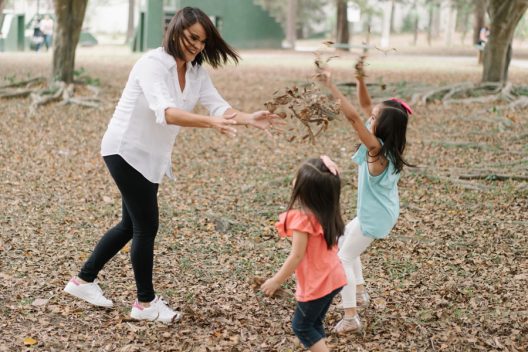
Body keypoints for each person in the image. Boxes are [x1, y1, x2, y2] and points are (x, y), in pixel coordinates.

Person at [64, 7, 280, 323]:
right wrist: (211, 122)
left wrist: (248, 118)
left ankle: (82, 281)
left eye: (202, 41)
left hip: (151, 157)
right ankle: (145, 305)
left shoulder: (195, 72)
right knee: (146, 225)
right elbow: (165, 112)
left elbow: (219, 106)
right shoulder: (152, 65)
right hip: (125, 150)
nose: (197, 45)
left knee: (130, 225)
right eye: (193, 37)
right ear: (175, 30)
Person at [316, 57, 413, 334]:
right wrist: (360, 80)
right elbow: (365, 108)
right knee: (346, 239)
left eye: (374, 118)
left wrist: (331, 85)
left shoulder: (376, 150)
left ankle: (350, 317)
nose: (369, 116)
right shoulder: (388, 143)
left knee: (342, 257)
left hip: (376, 215)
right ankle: (359, 292)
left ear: (380, 127)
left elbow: (353, 117)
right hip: (382, 210)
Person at [261, 156, 347, 352]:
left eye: (297, 178)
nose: (293, 181)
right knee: (315, 323)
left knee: (302, 326)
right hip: (334, 277)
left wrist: (276, 281)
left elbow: (296, 256)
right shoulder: (327, 210)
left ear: (307, 191)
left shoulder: (303, 220)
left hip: (318, 282)